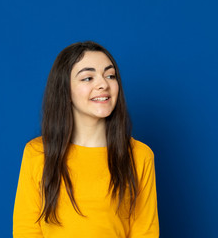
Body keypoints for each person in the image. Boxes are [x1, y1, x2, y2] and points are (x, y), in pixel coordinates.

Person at [13, 41, 159, 238]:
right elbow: (26, 231)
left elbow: (146, 233)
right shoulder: (37, 153)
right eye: (88, 78)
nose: (103, 84)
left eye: (110, 75)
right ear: (65, 90)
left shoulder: (140, 156)